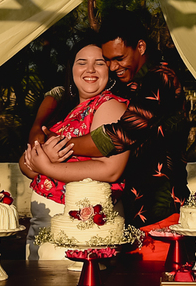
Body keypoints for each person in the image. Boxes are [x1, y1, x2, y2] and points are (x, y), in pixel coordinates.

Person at [28, 11, 189, 259]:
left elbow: (119, 136)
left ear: (141, 47)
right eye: (109, 61)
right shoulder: (130, 79)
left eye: (118, 58)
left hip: (160, 211)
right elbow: (62, 90)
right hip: (131, 214)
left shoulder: (161, 78)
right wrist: (38, 124)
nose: (113, 67)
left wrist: (58, 147)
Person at [19, 39, 129, 259]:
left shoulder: (109, 105)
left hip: (82, 227)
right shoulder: (67, 112)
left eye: (99, 63)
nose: (90, 70)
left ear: (110, 70)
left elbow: (111, 170)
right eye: (82, 62)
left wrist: (48, 166)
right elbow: (26, 164)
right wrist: (42, 160)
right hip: (42, 221)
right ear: (72, 70)